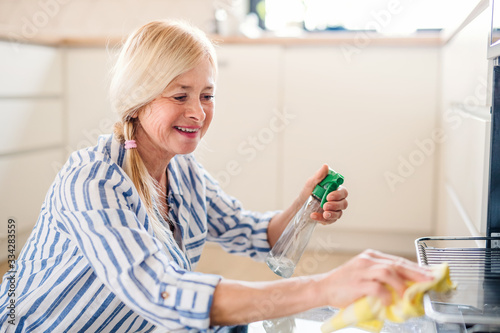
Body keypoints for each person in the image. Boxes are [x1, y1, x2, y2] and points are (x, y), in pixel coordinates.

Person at [0, 19, 431, 332]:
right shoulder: (92, 181)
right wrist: (324, 287)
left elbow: (258, 236)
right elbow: (162, 293)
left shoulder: (183, 173)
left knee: (227, 323)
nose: (198, 112)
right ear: (138, 100)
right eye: (180, 95)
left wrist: (304, 208)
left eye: (207, 95)